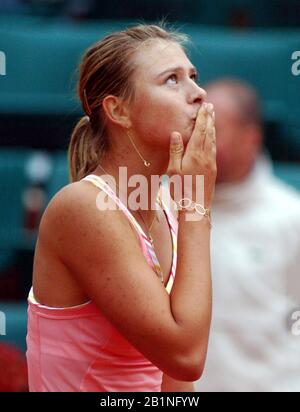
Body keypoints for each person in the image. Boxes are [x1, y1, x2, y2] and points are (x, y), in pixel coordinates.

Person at [26, 24, 217, 392]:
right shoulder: (82, 207)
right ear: (119, 110)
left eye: (193, 76)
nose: (199, 93)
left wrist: (189, 206)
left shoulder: (166, 204)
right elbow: (187, 356)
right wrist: (195, 205)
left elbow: (176, 386)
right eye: (172, 80)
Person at [195, 79, 300, 392]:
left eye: (215, 130)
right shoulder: (162, 210)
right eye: (197, 127)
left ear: (251, 138)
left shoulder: (291, 217)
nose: (200, 140)